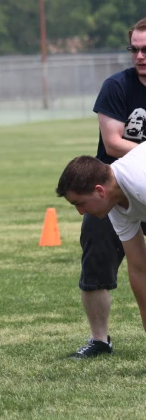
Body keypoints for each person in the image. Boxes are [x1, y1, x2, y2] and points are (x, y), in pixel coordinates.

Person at [64, 17, 146, 359]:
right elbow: (112, 144)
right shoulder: (117, 86)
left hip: (130, 185)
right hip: (110, 187)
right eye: (135, 49)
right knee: (97, 261)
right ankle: (100, 339)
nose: (140, 56)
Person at [56, 144, 146, 338]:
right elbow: (139, 269)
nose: (81, 212)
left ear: (99, 191)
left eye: (80, 203)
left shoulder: (141, 184)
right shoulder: (116, 206)